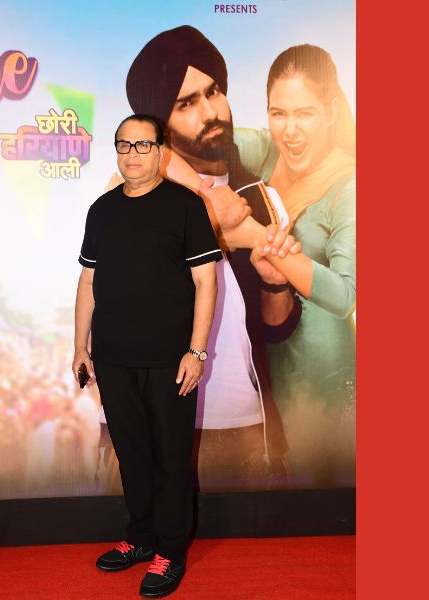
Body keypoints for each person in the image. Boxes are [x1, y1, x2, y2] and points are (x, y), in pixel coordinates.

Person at [122, 25, 303, 492]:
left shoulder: (262, 198)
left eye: (213, 92)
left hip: (250, 430)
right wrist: (209, 204)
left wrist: (274, 283)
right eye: (185, 104)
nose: (210, 112)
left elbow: (276, 330)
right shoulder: (135, 196)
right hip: (160, 427)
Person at [73, 114, 220, 597]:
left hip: (171, 360)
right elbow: (88, 281)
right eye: (124, 145)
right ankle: (140, 537)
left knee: (171, 457)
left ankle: (170, 552)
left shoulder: (186, 206)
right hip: (113, 358)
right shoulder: (102, 210)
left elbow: (206, 281)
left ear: (161, 152)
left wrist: (196, 351)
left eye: (142, 145)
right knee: (132, 454)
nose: (132, 154)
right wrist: (80, 347)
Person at [243, 44, 357, 486]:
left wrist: (261, 241)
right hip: (268, 362)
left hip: (322, 372)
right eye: (278, 113)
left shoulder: (349, 184)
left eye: (305, 113)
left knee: (323, 496)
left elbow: (345, 295)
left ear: (331, 111)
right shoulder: (269, 153)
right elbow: (195, 137)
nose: (289, 131)